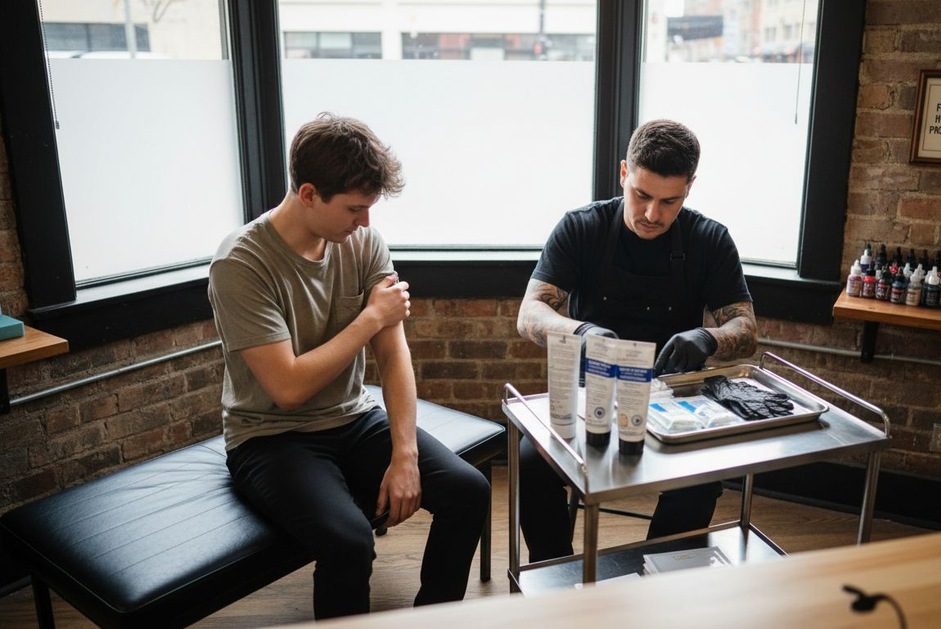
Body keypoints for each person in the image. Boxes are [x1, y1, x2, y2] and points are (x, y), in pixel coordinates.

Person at [207, 113, 490, 619]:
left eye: (369, 209)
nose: (365, 223)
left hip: (354, 417)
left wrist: (405, 453)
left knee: (469, 491)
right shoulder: (241, 264)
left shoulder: (362, 241)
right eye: (354, 209)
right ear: (309, 193)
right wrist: (369, 319)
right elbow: (287, 389)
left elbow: (392, 352)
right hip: (270, 436)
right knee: (349, 542)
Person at [515, 119, 758, 561]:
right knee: (531, 464)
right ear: (624, 173)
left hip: (676, 396)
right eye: (642, 195)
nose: (652, 214)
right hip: (592, 391)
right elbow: (529, 313)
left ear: (690, 188)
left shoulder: (710, 239)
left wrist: (706, 338)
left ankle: (656, 574)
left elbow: (746, 329)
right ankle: (553, 571)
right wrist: (582, 333)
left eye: (670, 201)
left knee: (702, 479)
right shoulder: (581, 228)